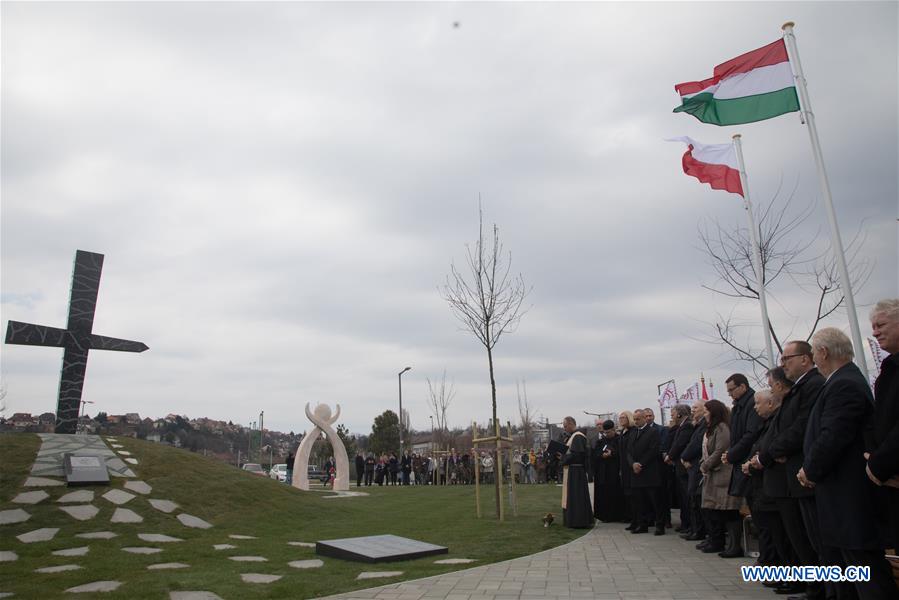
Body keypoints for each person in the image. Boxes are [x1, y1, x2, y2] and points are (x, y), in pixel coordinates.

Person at [799, 327, 898, 600]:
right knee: (849, 569)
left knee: (865, 571)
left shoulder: (844, 383)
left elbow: (834, 434)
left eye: (814, 354)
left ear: (823, 352)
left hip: (849, 495)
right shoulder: (840, 381)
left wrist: (810, 469)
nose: (814, 361)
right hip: (840, 494)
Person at [754, 340, 825, 600]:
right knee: (801, 540)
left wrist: (770, 454)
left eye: (787, 359)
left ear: (806, 358)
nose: (784, 364)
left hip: (798, 475)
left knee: (808, 540)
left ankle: (818, 588)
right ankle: (815, 587)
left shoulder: (813, 386)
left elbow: (800, 428)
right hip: (787, 477)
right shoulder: (799, 392)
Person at [743, 388, 792, 579]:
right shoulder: (767, 424)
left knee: (782, 536)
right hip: (765, 487)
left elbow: (772, 448)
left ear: (770, 404)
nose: (755, 407)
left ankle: (790, 577)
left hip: (776, 486)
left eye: (758, 403)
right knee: (773, 534)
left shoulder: (776, 422)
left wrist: (759, 460)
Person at [867, 299, 899, 555]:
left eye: (881, 325)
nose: (875, 331)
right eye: (873, 326)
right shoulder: (889, 369)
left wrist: (879, 462)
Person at [719, 373, 759, 558]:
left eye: (731, 390)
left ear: (742, 387)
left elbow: (750, 434)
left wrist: (732, 454)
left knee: (759, 516)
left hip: (750, 464)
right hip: (740, 463)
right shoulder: (738, 407)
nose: (729, 394)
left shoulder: (751, 404)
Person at [700, 399, 741, 553]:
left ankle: (734, 546)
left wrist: (705, 465)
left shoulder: (722, 428)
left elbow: (720, 450)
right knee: (714, 510)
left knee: (728, 510)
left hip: (722, 474)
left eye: (706, 411)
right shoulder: (711, 428)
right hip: (713, 474)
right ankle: (716, 541)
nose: (704, 415)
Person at [628, 409, 665, 535]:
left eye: (638, 419)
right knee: (640, 501)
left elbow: (653, 450)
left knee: (655, 501)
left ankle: (660, 525)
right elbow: (628, 451)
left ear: (644, 418)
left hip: (649, 472)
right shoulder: (633, 432)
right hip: (636, 473)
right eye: (634, 419)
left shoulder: (652, 432)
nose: (636, 421)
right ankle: (642, 524)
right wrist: (632, 463)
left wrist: (641, 464)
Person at [680, 400, 708, 543]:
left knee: (697, 500)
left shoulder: (703, 426)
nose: (693, 411)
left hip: (697, 466)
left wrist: (684, 456)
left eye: (696, 408)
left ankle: (700, 531)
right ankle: (696, 529)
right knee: (693, 500)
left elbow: (696, 444)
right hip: (693, 467)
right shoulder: (697, 425)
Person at [665, 404, 695, 533]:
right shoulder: (681, 426)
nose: (671, 417)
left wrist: (670, 456)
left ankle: (690, 525)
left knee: (687, 498)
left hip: (684, 466)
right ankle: (686, 523)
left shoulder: (687, 425)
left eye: (672, 414)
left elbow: (680, 443)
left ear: (679, 414)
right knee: (683, 497)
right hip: (680, 466)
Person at [559, 416, 593, 528]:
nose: (564, 429)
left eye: (565, 426)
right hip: (573, 470)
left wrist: (563, 459)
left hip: (576, 471)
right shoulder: (573, 436)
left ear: (571, 424)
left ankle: (578, 521)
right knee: (573, 496)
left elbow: (577, 455)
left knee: (576, 497)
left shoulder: (577, 436)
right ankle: (573, 520)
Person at [593, 419, 626, 522]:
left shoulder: (620, 439)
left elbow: (623, 453)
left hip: (615, 471)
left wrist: (611, 454)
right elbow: (595, 455)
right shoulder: (601, 441)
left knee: (616, 494)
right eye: (605, 432)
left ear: (613, 430)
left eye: (609, 432)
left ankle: (618, 515)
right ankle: (606, 516)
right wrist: (602, 455)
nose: (607, 434)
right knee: (605, 495)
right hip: (603, 472)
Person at [617, 410, 637, 531]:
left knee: (634, 495)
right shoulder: (622, 432)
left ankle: (637, 520)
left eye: (623, 417)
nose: (621, 419)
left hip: (630, 466)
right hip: (623, 467)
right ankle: (632, 519)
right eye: (620, 418)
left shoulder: (632, 432)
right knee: (628, 495)